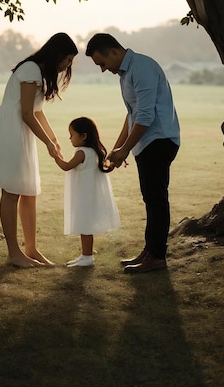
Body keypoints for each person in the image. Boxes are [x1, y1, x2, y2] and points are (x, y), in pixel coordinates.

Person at [0, 32, 78, 268]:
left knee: (29, 191)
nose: (68, 66)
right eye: (68, 59)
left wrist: (53, 139)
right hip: (11, 131)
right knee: (12, 191)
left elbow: (37, 110)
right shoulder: (31, 69)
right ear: (58, 54)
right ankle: (14, 253)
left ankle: (31, 248)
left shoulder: (39, 73)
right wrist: (47, 143)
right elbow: (25, 113)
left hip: (22, 131)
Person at [85, 33, 180, 274]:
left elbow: (145, 117)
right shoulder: (125, 73)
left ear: (114, 52)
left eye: (102, 63)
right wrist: (118, 150)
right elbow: (132, 115)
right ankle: (150, 251)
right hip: (146, 142)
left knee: (156, 199)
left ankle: (157, 256)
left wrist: (124, 149)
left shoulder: (142, 68)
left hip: (159, 140)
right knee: (151, 198)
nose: (103, 70)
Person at [54, 117, 120, 267]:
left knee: (85, 227)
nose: (70, 138)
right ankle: (85, 255)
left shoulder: (82, 152)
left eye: (72, 135)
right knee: (86, 227)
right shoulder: (96, 152)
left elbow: (66, 166)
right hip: (90, 194)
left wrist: (55, 156)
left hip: (83, 195)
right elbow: (107, 167)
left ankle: (87, 257)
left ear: (83, 136)